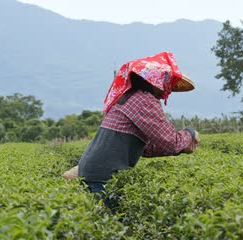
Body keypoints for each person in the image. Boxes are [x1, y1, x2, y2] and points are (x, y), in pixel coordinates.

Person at [76, 51, 199, 206]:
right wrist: (189, 133)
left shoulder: (129, 96)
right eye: (167, 83)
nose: (167, 90)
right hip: (103, 176)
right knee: (111, 222)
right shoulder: (144, 100)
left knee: (101, 220)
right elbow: (170, 142)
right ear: (156, 81)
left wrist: (181, 148)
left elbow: (145, 148)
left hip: (92, 172)